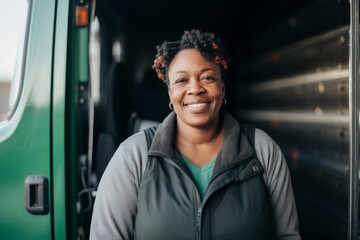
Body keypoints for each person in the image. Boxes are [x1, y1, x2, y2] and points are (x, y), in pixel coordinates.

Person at [90, 29, 301, 240]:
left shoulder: (262, 150)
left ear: (223, 88)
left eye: (208, 77)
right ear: (170, 93)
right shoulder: (133, 156)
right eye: (181, 80)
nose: (195, 88)